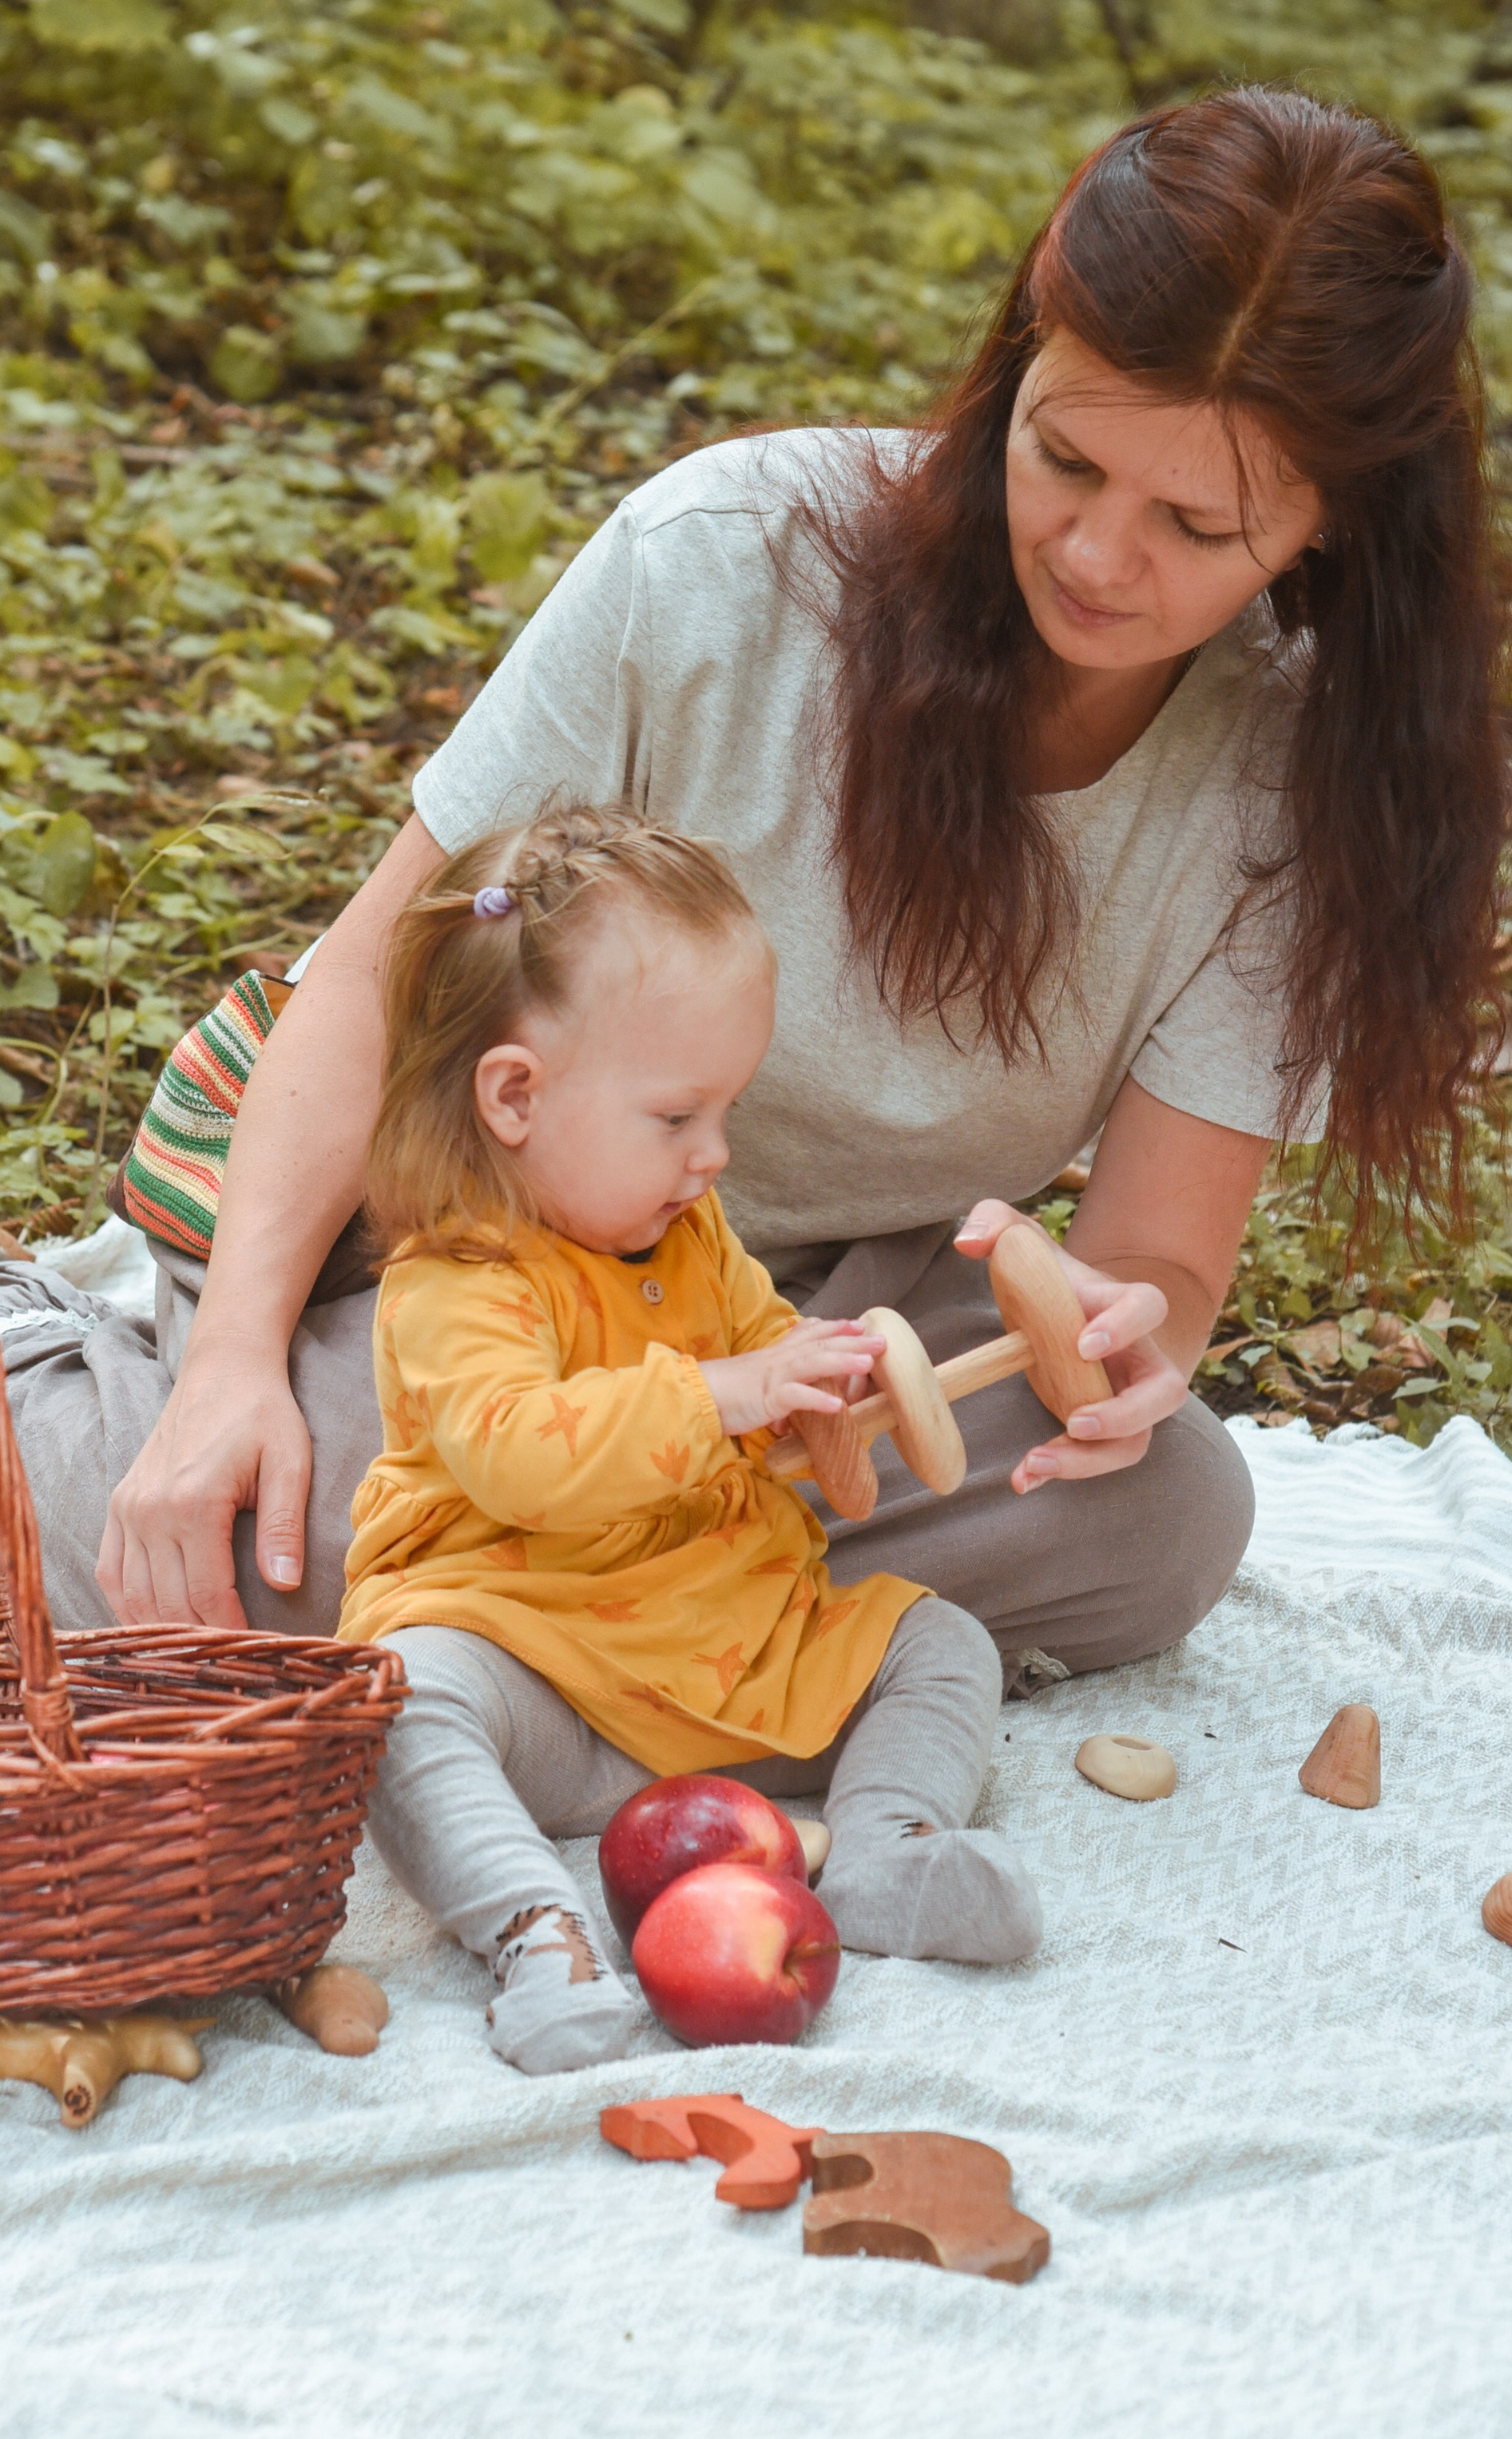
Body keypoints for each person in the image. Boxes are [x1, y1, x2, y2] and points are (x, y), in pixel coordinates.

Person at [0, 85, 1508, 1684]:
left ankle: (582, 1605)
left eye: (1196, 527)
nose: (1092, 551)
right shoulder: (724, 562)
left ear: (1327, 524)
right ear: (1015, 362)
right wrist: (233, 1366)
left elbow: (1148, 1261)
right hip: (476, 1259)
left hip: (797, 1318)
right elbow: (376, 979)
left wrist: (1125, 1353)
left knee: (1165, 1518)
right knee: (276, 1543)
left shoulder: (1292, 785)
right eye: (1062, 456)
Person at [351, 804, 1041, 2074]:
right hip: (543, 1668)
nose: (714, 1156)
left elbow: (766, 1360)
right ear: (514, 1096)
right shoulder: (459, 1282)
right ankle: (536, 1935)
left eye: (726, 1111)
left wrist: (815, 1406)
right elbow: (520, 1452)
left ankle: (885, 1857)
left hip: (725, 1656)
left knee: (937, 1640)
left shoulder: (689, 1238)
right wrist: (724, 1390)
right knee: (400, 1698)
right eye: (676, 1118)